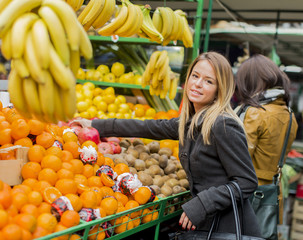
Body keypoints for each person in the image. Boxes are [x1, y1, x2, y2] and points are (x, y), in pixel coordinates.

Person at [72, 52, 262, 237]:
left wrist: (202, 204)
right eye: (195, 76)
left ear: (220, 89)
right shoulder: (191, 121)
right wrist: (94, 125)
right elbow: (148, 127)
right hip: (208, 224)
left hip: (228, 227)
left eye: (208, 81)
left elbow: (247, 181)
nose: (197, 84)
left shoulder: (223, 125)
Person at [235, 54, 298, 224]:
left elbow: (237, 159)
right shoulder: (289, 115)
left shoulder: (255, 113)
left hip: (247, 195)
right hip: (271, 191)